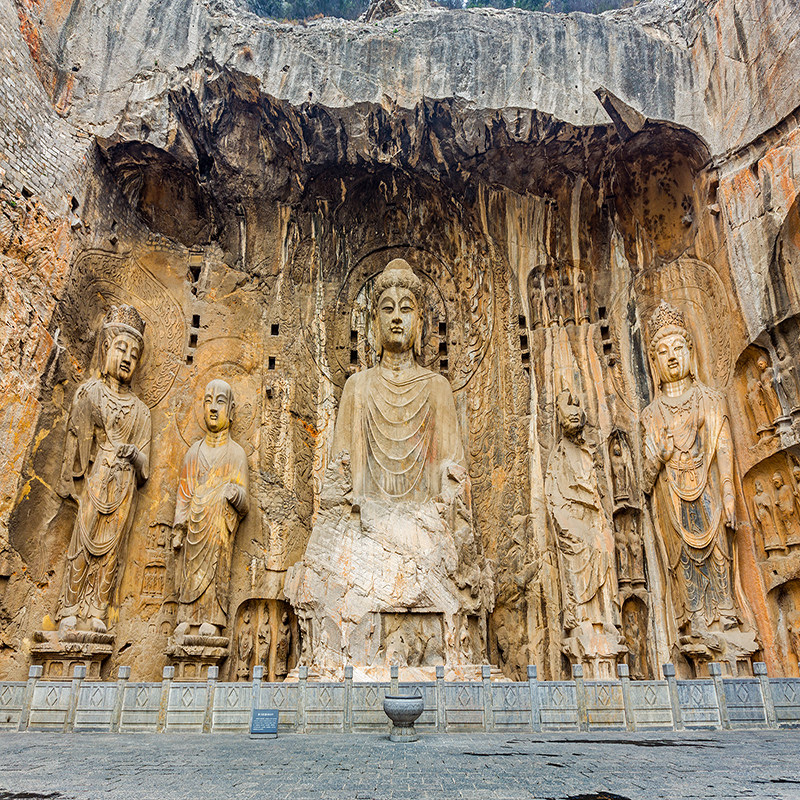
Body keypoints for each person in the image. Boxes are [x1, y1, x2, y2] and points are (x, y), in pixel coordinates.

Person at [641, 302, 744, 636]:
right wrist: (659, 457)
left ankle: (726, 610)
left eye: (678, 348)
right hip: (671, 496)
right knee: (683, 556)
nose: (672, 357)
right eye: (662, 352)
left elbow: (724, 446)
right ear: (654, 363)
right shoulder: (651, 414)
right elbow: (643, 481)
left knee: (718, 550)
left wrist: (728, 491)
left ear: (690, 350)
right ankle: (695, 616)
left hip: (708, 486)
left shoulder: (711, 400)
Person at [56, 305, 151, 633]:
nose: (127, 358)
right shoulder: (91, 392)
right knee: (82, 543)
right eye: (121, 348)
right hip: (95, 479)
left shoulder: (141, 412)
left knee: (111, 551)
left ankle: (98, 609)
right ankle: (69, 607)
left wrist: (133, 455)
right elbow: (76, 447)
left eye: (134, 354)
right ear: (106, 349)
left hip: (124, 485)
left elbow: (145, 467)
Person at [173, 379, 249, 637]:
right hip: (194, 523)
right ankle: (185, 616)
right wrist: (178, 527)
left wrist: (233, 494)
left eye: (220, 402)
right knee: (188, 571)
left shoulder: (236, 453)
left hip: (218, 528)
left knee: (217, 569)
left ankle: (213, 618)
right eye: (208, 401)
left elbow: (245, 502)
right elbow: (184, 493)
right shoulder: (194, 452)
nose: (213, 408)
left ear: (232, 410)